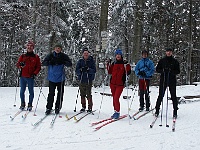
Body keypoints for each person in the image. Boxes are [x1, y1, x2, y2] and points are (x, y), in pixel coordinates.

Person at [42, 43, 72, 115]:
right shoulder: (50, 55)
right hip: (52, 78)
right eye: (56, 48)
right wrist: (50, 62)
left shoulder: (63, 56)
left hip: (60, 78)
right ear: (54, 49)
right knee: (51, 94)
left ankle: (57, 107)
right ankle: (49, 108)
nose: (57, 49)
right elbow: (43, 63)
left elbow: (70, 64)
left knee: (60, 94)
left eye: (59, 48)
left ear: (61, 49)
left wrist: (63, 62)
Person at [155, 48, 180, 118]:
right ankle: (157, 110)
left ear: (171, 53)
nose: (168, 53)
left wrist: (171, 71)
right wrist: (163, 70)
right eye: (167, 52)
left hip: (172, 80)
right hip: (164, 80)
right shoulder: (162, 61)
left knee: (173, 96)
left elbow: (178, 71)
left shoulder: (175, 61)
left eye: (170, 52)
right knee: (161, 95)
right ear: (166, 52)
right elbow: (157, 69)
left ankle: (175, 111)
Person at [16, 41, 41, 111]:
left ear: (33, 48)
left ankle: (30, 104)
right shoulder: (23, 56)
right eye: (28, 46)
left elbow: (38, 67)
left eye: (31, 46)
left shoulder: (36, 57)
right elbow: (18, 64)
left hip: (30, 77)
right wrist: (20, 65)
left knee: (31, 92)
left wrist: (35, 73)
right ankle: (22, 103)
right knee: (22, 91)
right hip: (23, 76)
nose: (29, 47)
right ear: (26, 47)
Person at [106, 49, 131, 119]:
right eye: (117, 55)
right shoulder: (114, 63)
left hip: (120, 84)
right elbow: (109, 71)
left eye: (119, 55)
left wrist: (127, 64)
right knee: (114, 98)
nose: (118, 56)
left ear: (121, 55)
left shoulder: (124, 64)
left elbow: (128, 72)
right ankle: (115, 111)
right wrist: (108, 64)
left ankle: (117, 112)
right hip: (112, 83)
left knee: (116, 98)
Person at [75, 47, 96, 113]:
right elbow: (76, 70)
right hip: (81, 79)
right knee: (82, 94)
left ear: (88, 54)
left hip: (88, 79)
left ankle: (90, 107)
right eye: (84, 53)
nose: (86, 54)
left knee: (88, 94)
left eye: (87, 53)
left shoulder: (91, 61)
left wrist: (88, 70)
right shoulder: (80, 61)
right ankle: (83, 106)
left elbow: (94, 70)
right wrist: (81, 70)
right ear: (83, 54)